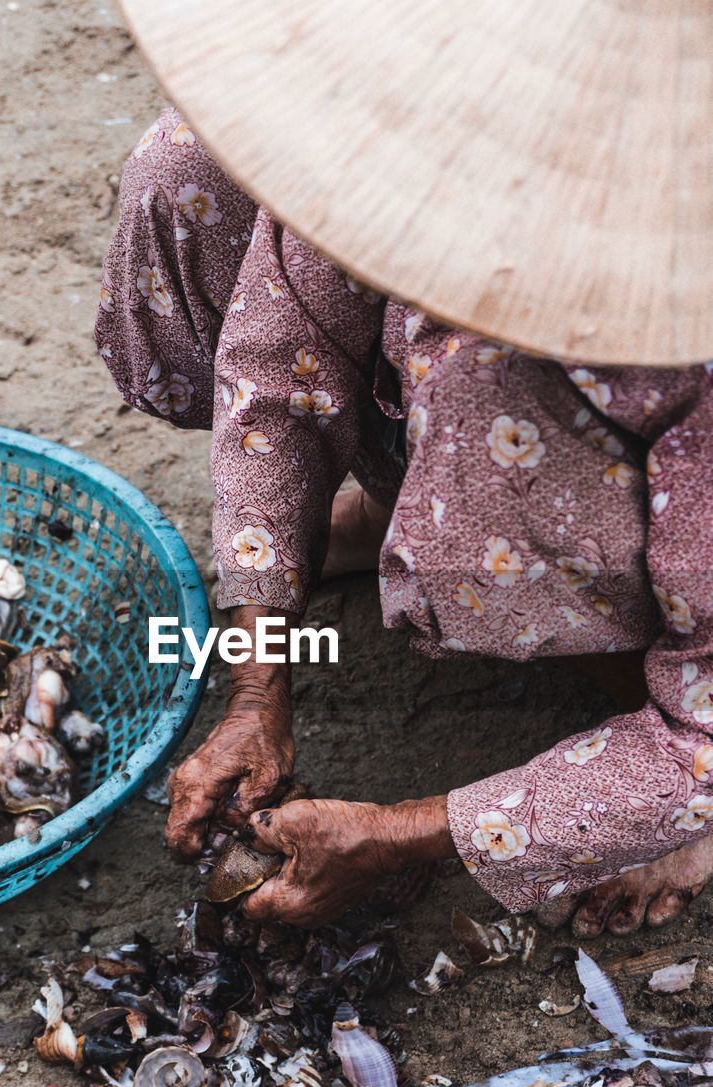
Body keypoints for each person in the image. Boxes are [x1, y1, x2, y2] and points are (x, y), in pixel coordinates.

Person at [94, 107, 713, 939]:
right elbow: (277, 368)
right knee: (193, 162)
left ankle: (657, 770)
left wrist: (391, 838)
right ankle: (401, 504)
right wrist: (255, 689)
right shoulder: (438, 96)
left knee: (486, 395)